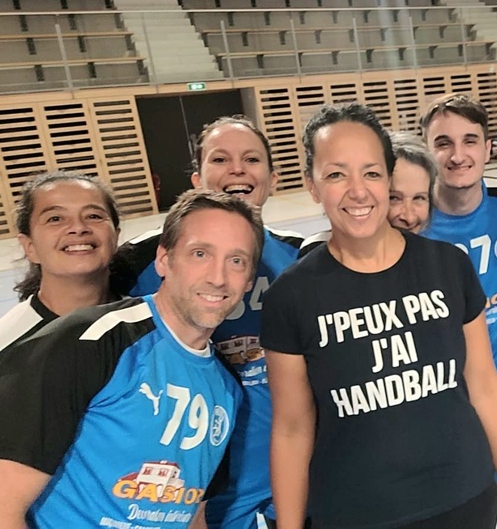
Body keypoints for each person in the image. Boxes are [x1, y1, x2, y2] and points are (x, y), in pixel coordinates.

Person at [260, 102, 497, 529]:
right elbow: (293, 429)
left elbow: (483, 386)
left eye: (371, 173)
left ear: (387, 176)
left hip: (463, 501)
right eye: (336, 174)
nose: (357, 190)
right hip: (354, 515)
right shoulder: (290, 297)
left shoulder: (449, 267)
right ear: (311, 185)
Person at [0, 189, 264, 527]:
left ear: (249, 281)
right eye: (200, 253)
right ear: (164, 260)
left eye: (236, 260)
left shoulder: (226, 388)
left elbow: (192, 515)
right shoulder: (91, 341)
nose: (218, 276)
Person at [110, 115, 303, 528]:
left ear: (271, 177)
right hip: (193, 492)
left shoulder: (302, 257)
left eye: (251, 159)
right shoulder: (143, 261)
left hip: (293, 480)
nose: (237, 169)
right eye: (221, 159)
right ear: (198, 178)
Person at [420, 93, 497, 526]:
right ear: (426, 149)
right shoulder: (413, 218)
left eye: (470, 141)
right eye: (443, 142)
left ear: (489, 148)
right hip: (435, 393)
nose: (457, 155)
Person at [0, 171, 121, 351]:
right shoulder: (8, 345)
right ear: (29, 246)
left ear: (116, 236)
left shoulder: (156, 317)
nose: (78, 228)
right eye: (55, 219)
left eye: (93, 216)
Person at [297, 130, 437, 258]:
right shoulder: (317, 254)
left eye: (419, 198)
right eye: (394, 198)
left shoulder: (435, 256)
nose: (409, 217)